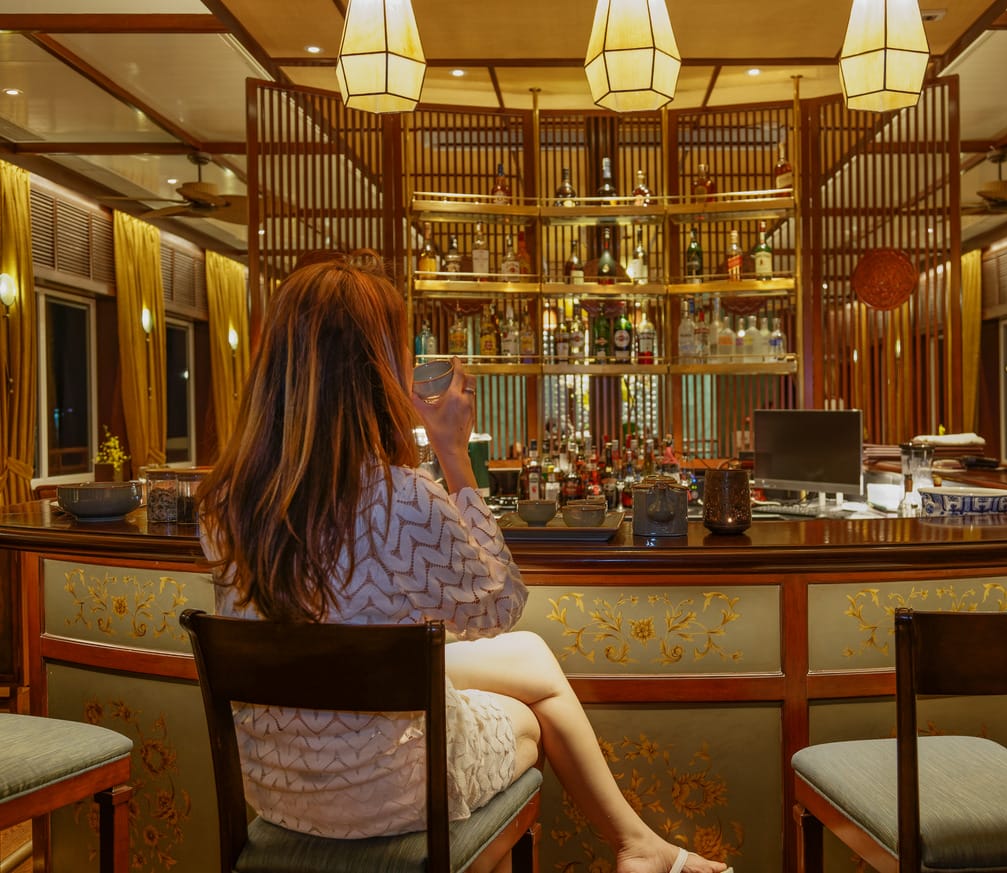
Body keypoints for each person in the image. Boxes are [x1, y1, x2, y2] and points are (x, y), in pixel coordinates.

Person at [196, 250, 729, 873]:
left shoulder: (223, 503)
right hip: (384, 793)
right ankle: (635, 848)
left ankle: (639, 846)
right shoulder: (398, 498)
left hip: (277, 791)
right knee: (528, 716)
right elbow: (499, 605)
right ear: (374, 368)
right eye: (400, 349)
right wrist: (451, 451)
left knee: (531, 656)